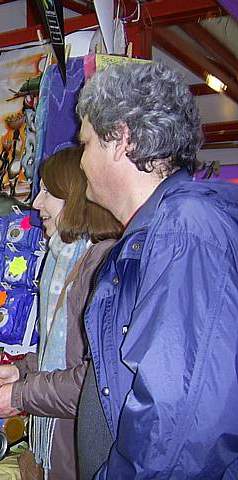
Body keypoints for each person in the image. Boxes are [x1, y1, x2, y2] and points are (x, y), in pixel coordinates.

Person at [75, 61, 238, 479]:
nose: (81, 162)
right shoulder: (155, 233)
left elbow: (177, 419)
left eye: (87, 143)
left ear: (121, 140)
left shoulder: (185, 229)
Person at [0, 147, 123, 480]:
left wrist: (21, 393)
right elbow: (66, 354)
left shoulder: (100, 267)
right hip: (60, 442)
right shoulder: (65, 262)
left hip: (81, 449)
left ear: (74, 197)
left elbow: (94, 381)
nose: (36, 204)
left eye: (47, 192)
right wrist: (22, 372)